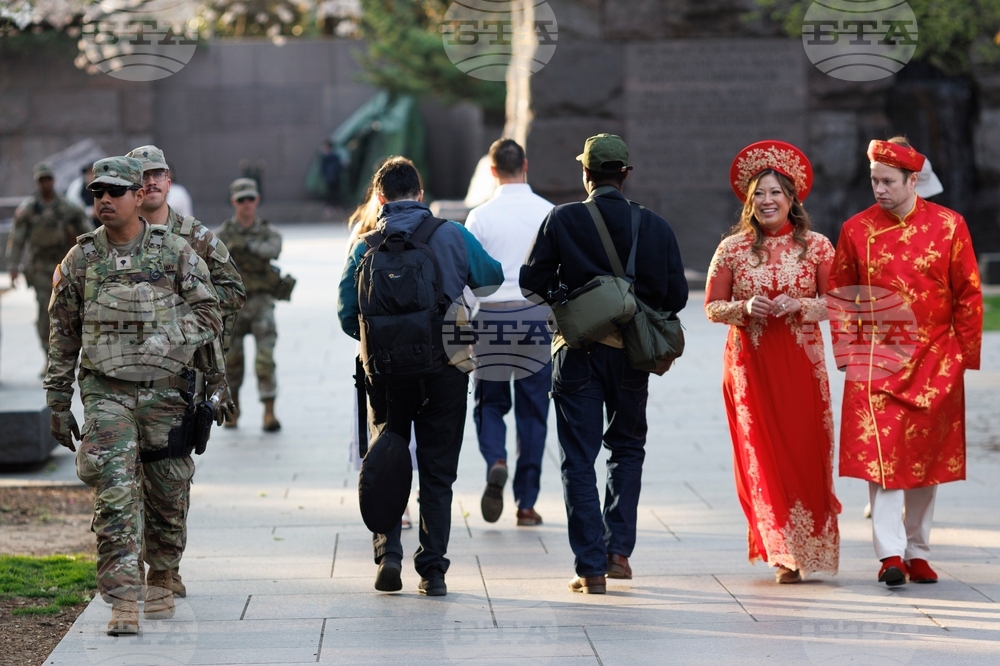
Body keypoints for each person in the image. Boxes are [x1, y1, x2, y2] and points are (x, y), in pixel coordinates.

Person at [44, 156, 222, 635]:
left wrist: (170, 338)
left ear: (139, 196)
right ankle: (123, 598)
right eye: (97, 192)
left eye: (115, 191)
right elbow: (63, 332)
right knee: (116, 489)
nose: (104, 199)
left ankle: (162, 573)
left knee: (168, 490)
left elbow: (209, 312)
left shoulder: (174, 251)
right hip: (106, 391)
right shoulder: (81, 259)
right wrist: (58, 401)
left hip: (166, 392)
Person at [519, 134, 688, 594]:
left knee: (578, 459)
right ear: (625, 174)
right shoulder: (654, 225)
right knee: (627, 448)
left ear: (586, 173)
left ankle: (590, 568)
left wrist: (571, 302)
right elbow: (676, 296)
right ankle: (618, 554)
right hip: (633, 355)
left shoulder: (563, 219)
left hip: (577, 354)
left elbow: (530, 282)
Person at [338, 157, 503, 596]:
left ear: (380, 199)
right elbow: (492, 278)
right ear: (421, 193)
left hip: (386, 375)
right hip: (446, 366)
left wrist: (385, 338)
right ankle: (432, 571)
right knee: (437, 471)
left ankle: (388, 554)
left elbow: (346, 313)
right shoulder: (453, 234)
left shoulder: (365, 246)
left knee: (388, 458)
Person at [830, 137, 983, 586]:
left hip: (936, 359)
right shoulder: (856, 229)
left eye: (888, 182)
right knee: (882, 458)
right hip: (877, 359)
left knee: (925, 461)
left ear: (913, 180)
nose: (879, 189)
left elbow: (969, 294)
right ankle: (890, 554)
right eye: (874, 181)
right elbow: (841, 295)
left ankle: (918, 550)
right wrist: (848, 353)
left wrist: (962, 356)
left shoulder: (950, 225)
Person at [705, 140, 841, 584]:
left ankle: (807, 544)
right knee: (761, 454)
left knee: (804, 449)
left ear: (791, 197)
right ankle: (781, 551)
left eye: (775, 192)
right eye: (759, 194)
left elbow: (837, 302)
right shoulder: (731, 249)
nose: (767, 200)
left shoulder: (818, 247)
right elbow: (712, 307)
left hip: (802, 364)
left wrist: (801, 304)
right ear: (749, 201)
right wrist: (744, 308)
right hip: (751, 366)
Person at [124, 145, 245, 598]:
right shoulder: (112, 237)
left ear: (168, 181)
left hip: (181, 371)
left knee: (170, 473)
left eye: (157, 174)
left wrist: (183, 308)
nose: (150, 182)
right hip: (124, 373)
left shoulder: (195, 236)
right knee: (125, 477)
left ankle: (166, 567)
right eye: (142, 176)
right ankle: (135, 565)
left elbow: (233, 290)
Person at [464, 138, 554, 527]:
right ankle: (526, 504)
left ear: (492, 170)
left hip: (491, 318)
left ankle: (496, 459)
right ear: (526, 165)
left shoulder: (479, 217)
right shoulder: (548, 212)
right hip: (536, 318)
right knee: (534, 411)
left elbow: (468, 278)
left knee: (490, 403)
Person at [215, 178, 284, 431]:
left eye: (250, 199)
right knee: (232, 363)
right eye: (241, 199)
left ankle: (269, 411)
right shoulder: (222, 235)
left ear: (257, 200)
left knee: (265, 360)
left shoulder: (268, 232)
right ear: (233, 202)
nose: (246, 204)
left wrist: (248, 245)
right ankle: (233, 410)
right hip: (233, 306)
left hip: (261, 303)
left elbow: (273, 249)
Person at [6, 162, 90, 368]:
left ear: (53, 180)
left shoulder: (67, 208)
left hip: (65, 267)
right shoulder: (29, 209)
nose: (45, 184)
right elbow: (17, 238)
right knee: (46, 313)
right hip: (40, 268)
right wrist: (13, 266)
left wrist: (93, 259)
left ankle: (69, 355)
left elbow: (87, 233)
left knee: (69, 311)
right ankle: (50, 357)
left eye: (48, 179)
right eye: (41, 180)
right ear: (37, 183)